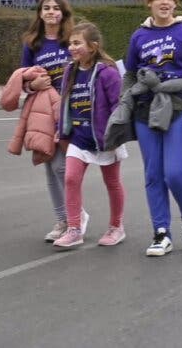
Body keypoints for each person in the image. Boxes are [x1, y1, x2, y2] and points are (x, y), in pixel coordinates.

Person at [119, 0, 182, 256]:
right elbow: (130, 74)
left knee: (175, 172)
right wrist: (126, 103)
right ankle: (161, 233)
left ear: (175, 2)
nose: (165, 2)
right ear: (149, 1)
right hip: (145, 111)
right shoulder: (139, 36)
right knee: (153, 174)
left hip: (179, 108)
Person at [52, 23, 127, 249]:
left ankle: (116, 227)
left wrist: (115, 135)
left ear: (93, 46)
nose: (71, 48)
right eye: (70, 43)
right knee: (71, 178)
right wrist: (61, 128)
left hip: (105, 138)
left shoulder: (108, 73)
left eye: (77, 43)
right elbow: (65, 103)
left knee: (112, 182)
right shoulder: (70, 71)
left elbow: (118, 105)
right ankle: (74, 228)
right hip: (79, 137)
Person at [19, 0, 80, 242]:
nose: (51, 12)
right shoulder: (33, 43)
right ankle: (63, 220)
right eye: (46, 8)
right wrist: (33, 86)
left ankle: (75, 217)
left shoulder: (72, 41)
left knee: (62, 167)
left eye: (56, 8)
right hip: (43, 112)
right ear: (40, 13)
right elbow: (22, 80)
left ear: (63, 13)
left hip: (70, 109)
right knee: (50, 166)